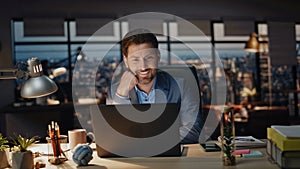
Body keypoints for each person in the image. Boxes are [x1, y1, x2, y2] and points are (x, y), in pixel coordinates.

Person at [107, 28, 203, 144]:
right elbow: (114, 135)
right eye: (135, 60)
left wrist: (149, 141)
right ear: (126, 61)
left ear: (158, 56)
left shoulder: (181, 86)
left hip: (172, 159)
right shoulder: (115, 91)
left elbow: (193, 130)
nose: (143, 67)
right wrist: (121, 96)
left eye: (149, 58)